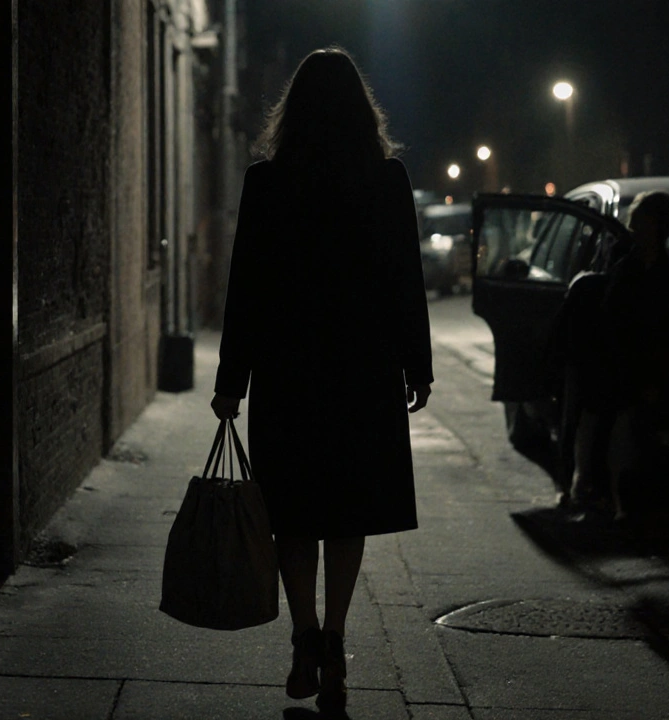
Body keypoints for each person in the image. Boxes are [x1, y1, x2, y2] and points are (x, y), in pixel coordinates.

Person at [210, 47, 433, 715]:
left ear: (295, 111)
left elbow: (246, 288)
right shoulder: (386, 179)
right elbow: (406, 279)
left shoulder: (268, 182)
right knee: (348, 509)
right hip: (362, 372)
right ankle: (335, 639)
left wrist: (231, 380)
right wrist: (416, 366)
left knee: (293, 512)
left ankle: (303, 636)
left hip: (289, 373)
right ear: (362, 111)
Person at [562, 190, 669, 521]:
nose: (633, 224)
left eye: (640, 218)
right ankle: (601, 497)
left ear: (655, 225)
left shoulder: (659, 277)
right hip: (614, 370)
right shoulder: (627, 263)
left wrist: (653, 378)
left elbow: (668, 334)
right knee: (605, 436)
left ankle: (616, 503)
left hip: (632, 373)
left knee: (622, 441)